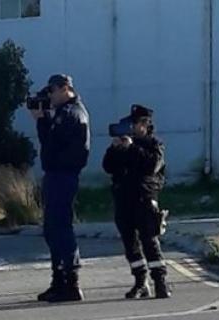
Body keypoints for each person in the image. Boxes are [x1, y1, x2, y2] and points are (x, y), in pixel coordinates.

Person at [30, 74, 90, 302]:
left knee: (61, 227)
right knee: (52, 228)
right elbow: (50, 143)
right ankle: (59, 280)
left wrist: (42, 120)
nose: (50, 97)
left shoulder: (72, 114)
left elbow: (52, 143)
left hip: (64, 175)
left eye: (52, 92)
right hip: (56, 174)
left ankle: (70, 282)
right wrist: (44, 119)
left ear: (65, 89)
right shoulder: (64, 113)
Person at [102, 104, 171, 299]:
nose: (132, 128)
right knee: (129, 242)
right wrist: (116, 148)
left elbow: (151, 166)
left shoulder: (154, 145)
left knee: (149, 240)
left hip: (144, 198)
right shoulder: (122, 145)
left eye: (136, 124)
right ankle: (140, 282)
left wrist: (132, 147)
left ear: (145, 124)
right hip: (123, 198)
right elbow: (107, 167)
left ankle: (160, 281)